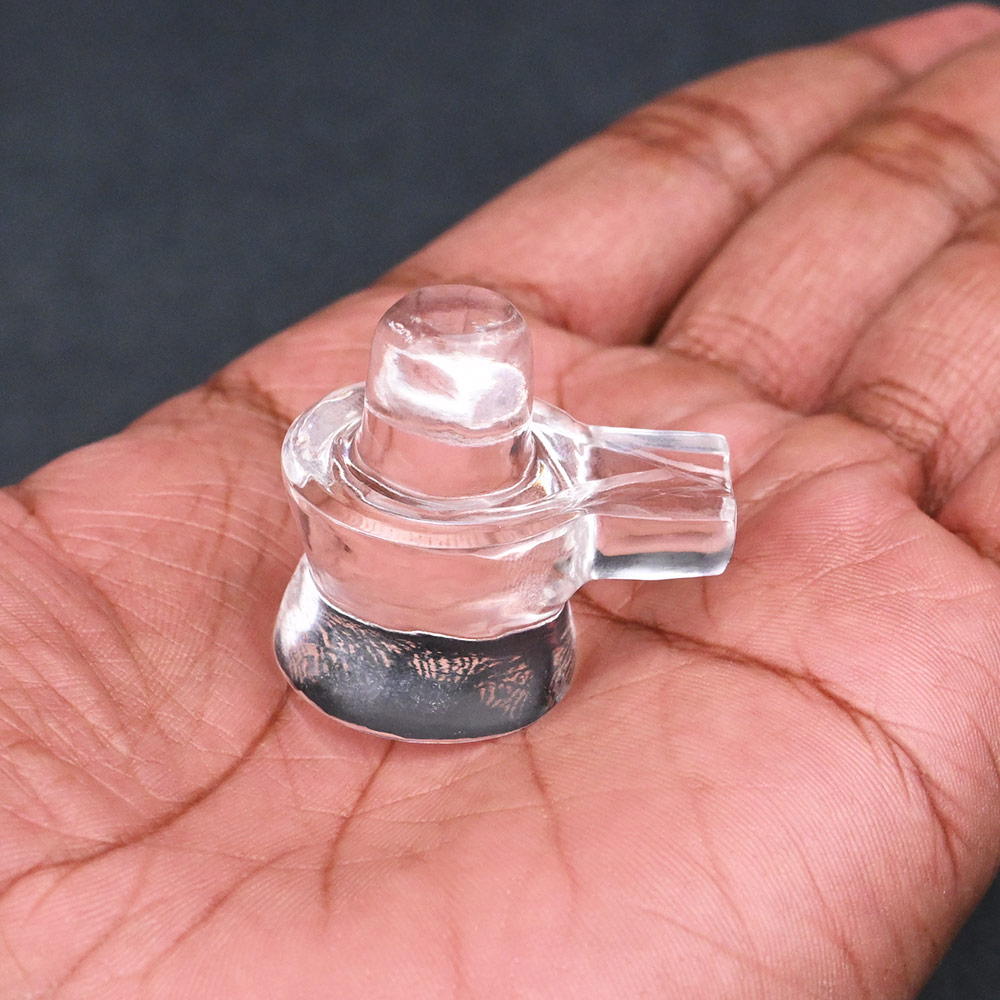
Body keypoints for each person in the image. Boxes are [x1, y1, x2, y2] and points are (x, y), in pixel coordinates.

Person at [2, 5, 1000, 996]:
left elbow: (655, 500)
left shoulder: (539, 481)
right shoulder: (359, 466)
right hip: (362, 649)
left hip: (504, 667)